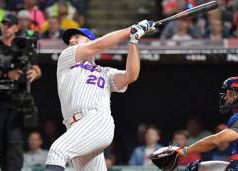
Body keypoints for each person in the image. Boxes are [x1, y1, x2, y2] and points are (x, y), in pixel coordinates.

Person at [44, 20, 155, 171]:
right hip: (74, 127)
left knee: (57, 151)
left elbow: (131, 75)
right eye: (71, 38)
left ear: (90, 40)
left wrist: (133, 40)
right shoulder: (67, 58)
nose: (71, 40)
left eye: (77, 37)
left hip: (96, 119)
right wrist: (132, 29)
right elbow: (98, 46)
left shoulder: (105, 71)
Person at [175, 77, 238, 171]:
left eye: (231, 93)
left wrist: (184, 151)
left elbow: (216, 140)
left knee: (237, 168)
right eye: (227, 93)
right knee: (194, 168)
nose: (227, 97)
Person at [0, 13, 42, 171]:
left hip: (18, 101)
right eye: (4, 24)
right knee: (1, 143)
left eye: (9, 25)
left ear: (16, 27)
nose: (5, 27)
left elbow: (36, 67)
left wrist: (35, 73)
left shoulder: (23, 44)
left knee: (14, 142)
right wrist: (5, 74)